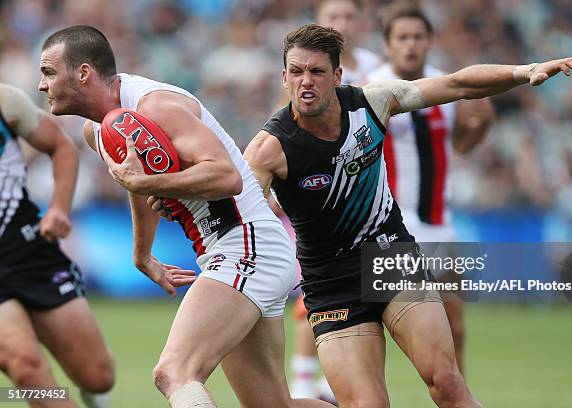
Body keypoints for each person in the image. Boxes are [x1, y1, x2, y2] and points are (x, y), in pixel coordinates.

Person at [241, 24, 572, 407]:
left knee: (447, 384)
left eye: (317, 72)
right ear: (284, 77)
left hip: (389, 257)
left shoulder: (372, 103)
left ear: (337, 76)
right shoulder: (268, 149)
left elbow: (457, 85)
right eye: (297, 71)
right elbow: (240, 216)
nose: (306, 81)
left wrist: (525, 71)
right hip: (329, 282)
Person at [38, 25, 335, 408]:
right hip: (237, 249)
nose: (42, 85)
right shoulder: (98, 130)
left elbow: (227, 176)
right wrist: (142, 253)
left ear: (82, 73)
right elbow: (140, 183)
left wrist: (157, 181)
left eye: (48, 72)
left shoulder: (155, 106)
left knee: (173, 372)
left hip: (245, 241)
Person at [367, 4, 496, 374]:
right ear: (388, 45)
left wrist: (482, 124)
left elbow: (458, 148)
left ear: (429, 42)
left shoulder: (448, 87)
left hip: (438, 223)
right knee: (376, 323)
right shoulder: (371, 89)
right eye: (402, 38)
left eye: (417, 37)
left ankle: (458, 393)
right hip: (385, 226)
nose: (411, 45)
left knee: (454, 323)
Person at [0, 83, 114, 408]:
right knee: (26, 367)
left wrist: (59, 209)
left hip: (28, 249)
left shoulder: (6, 101)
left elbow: (62, 147)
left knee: (97, 376)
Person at [289, 1, 381, 401]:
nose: (341, 23)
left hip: (377, 200)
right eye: (333, 17)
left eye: (348, 17)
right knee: (312, 297)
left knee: (422, 310)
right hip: (321, 198)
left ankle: (346, 377)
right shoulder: (309, 71)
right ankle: (305, 380)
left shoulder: (378, 72)